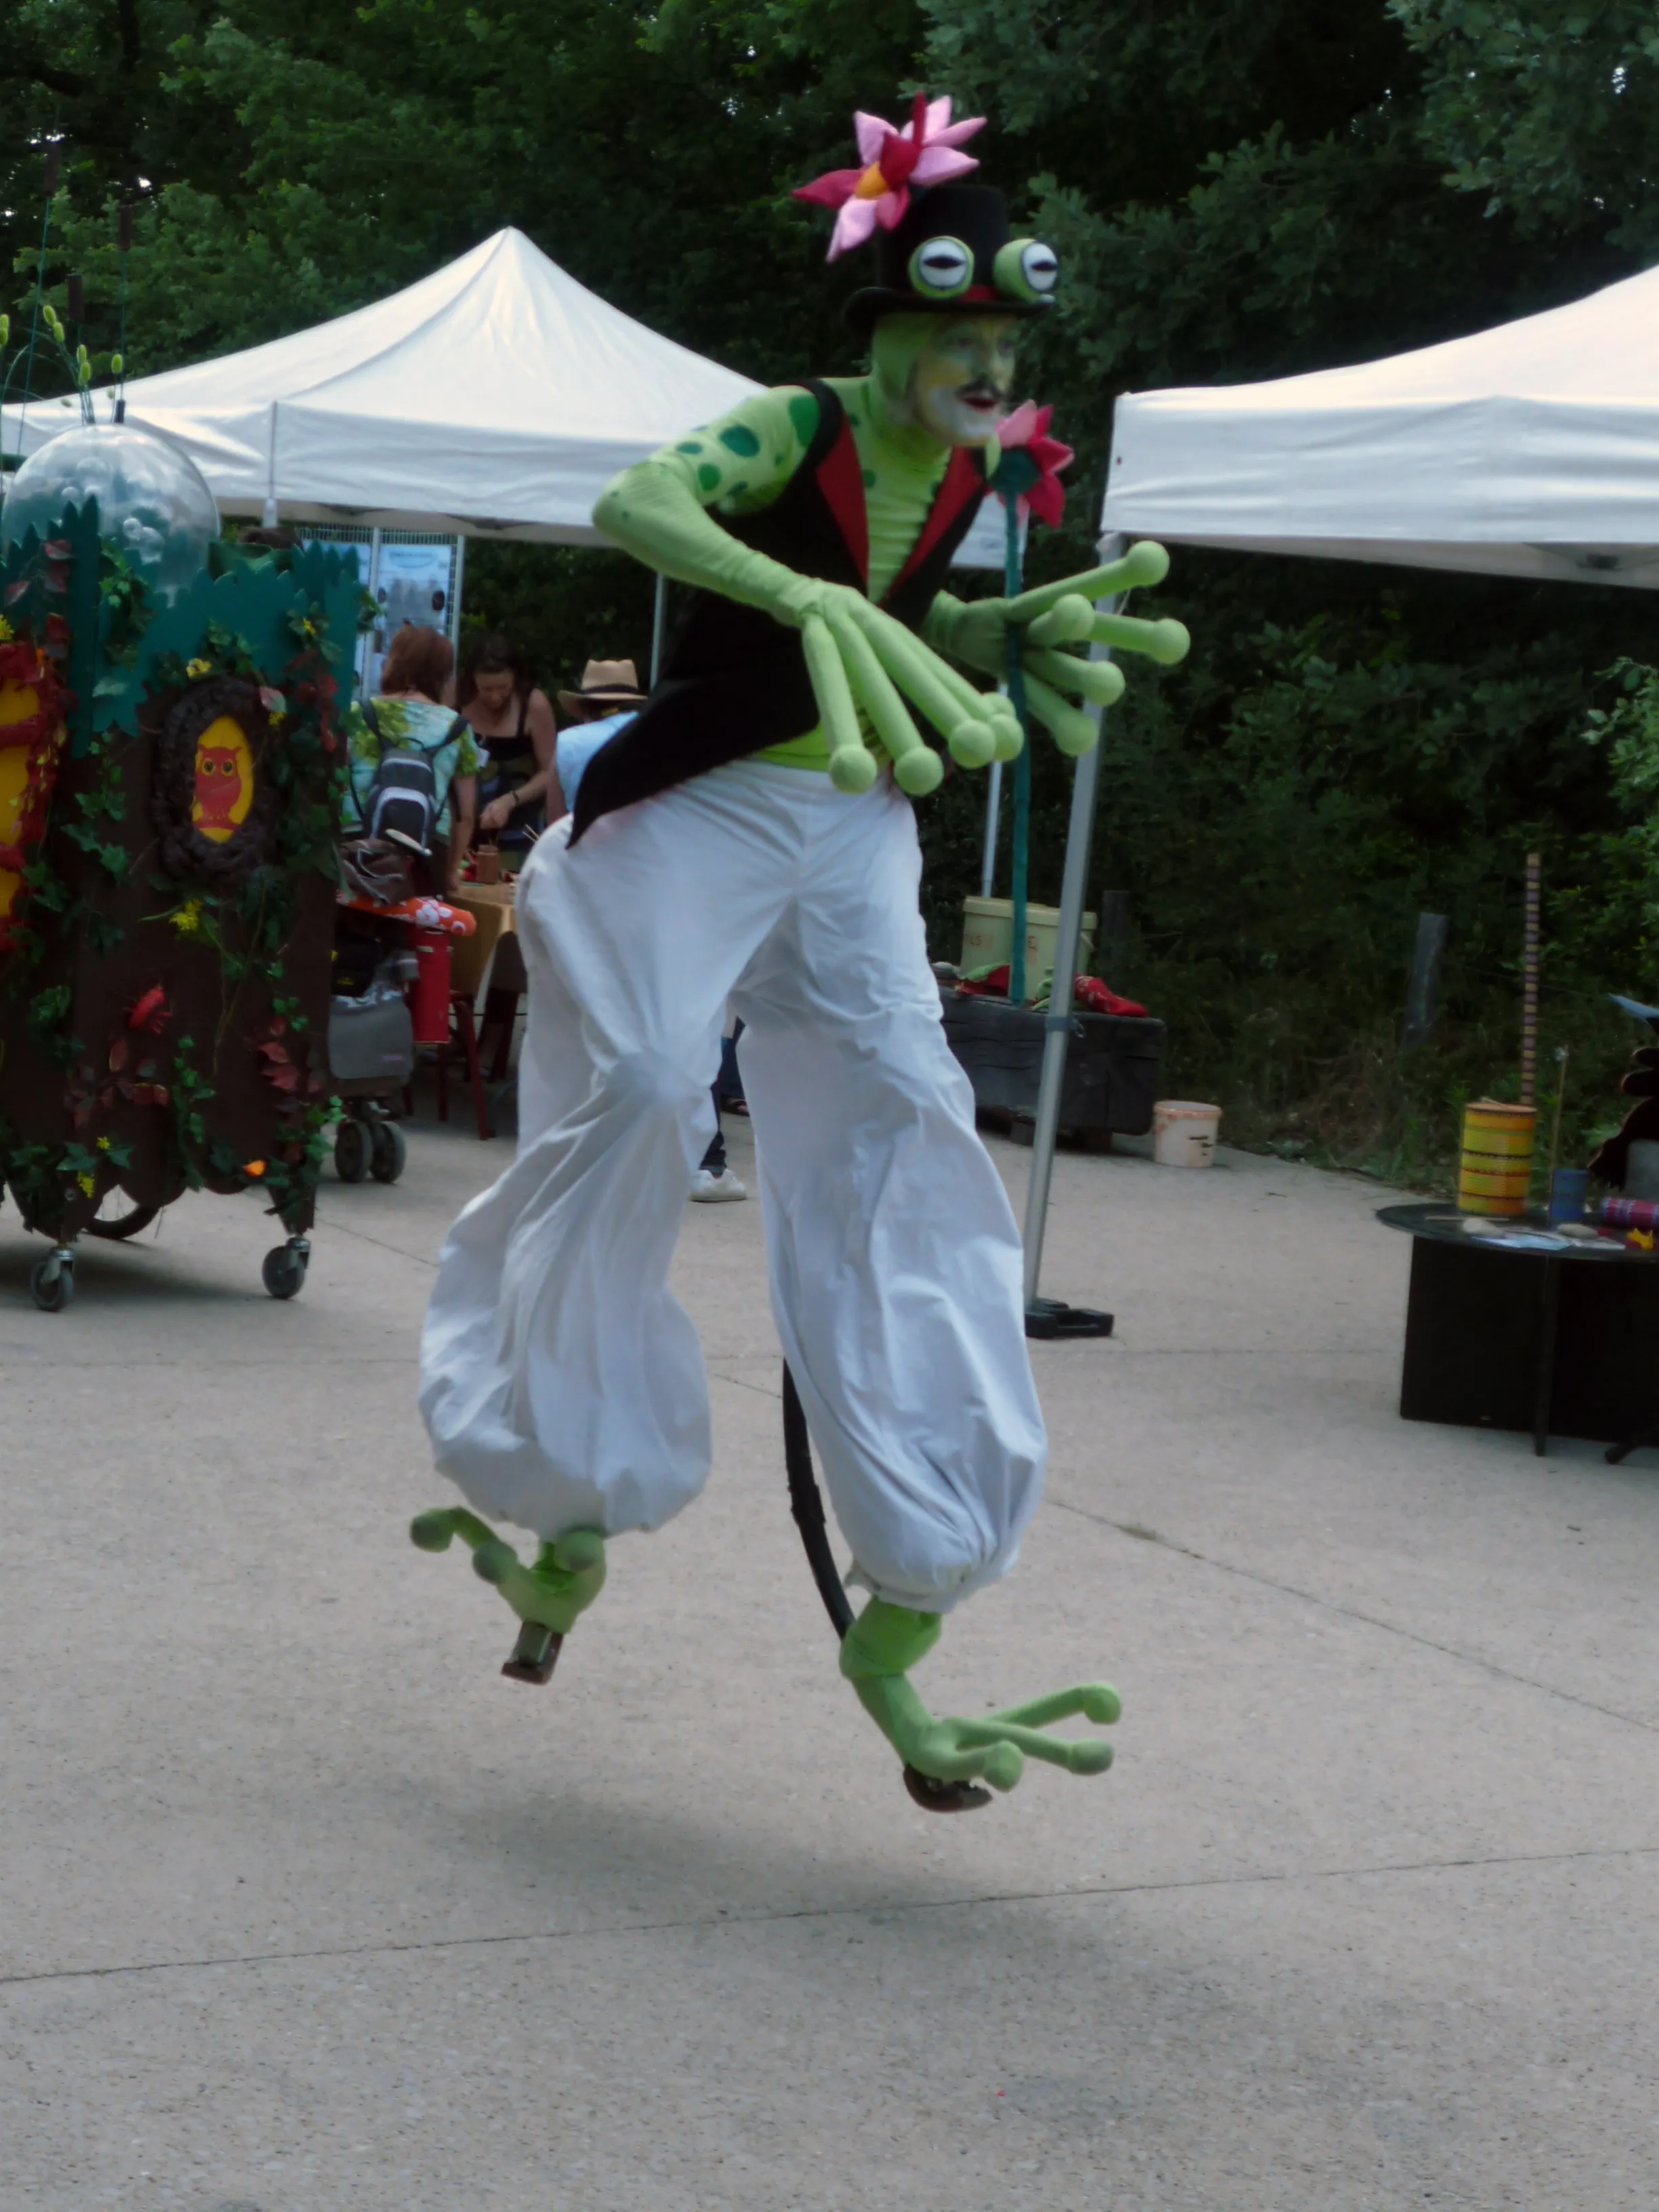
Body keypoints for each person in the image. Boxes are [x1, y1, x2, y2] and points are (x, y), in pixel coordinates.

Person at [414, 98, 1183, 1809]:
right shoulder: (797, 425)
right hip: (697, 809)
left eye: (1004, 338)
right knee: (634, 1090)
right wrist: (802, 601)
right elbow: (633, 498)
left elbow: (915, 624)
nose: (985, 362)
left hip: (850, 815)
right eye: (958, 332)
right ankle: (556, 1486)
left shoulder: (982, 468)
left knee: (902, 1113)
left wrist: (1007, 628)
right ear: (892, 327)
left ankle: (912, 1580)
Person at [342, 622, 478, 897]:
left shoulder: (357, 713)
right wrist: (450, 872)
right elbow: (466, 814)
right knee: (419, 934)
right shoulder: (458, 729)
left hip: (358, 841)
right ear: (441, 676)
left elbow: (334, 781)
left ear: (395, 664)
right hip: (427, 850)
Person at [458, 634, 559, 872]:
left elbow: (550, 772)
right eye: (486, 689)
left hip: (520, 825)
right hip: (465, 821)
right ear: (472, 680)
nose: (495, 696)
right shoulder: (458, 700)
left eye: (503, 688)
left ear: (516, 677)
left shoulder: (533, 705)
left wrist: (510, 800)